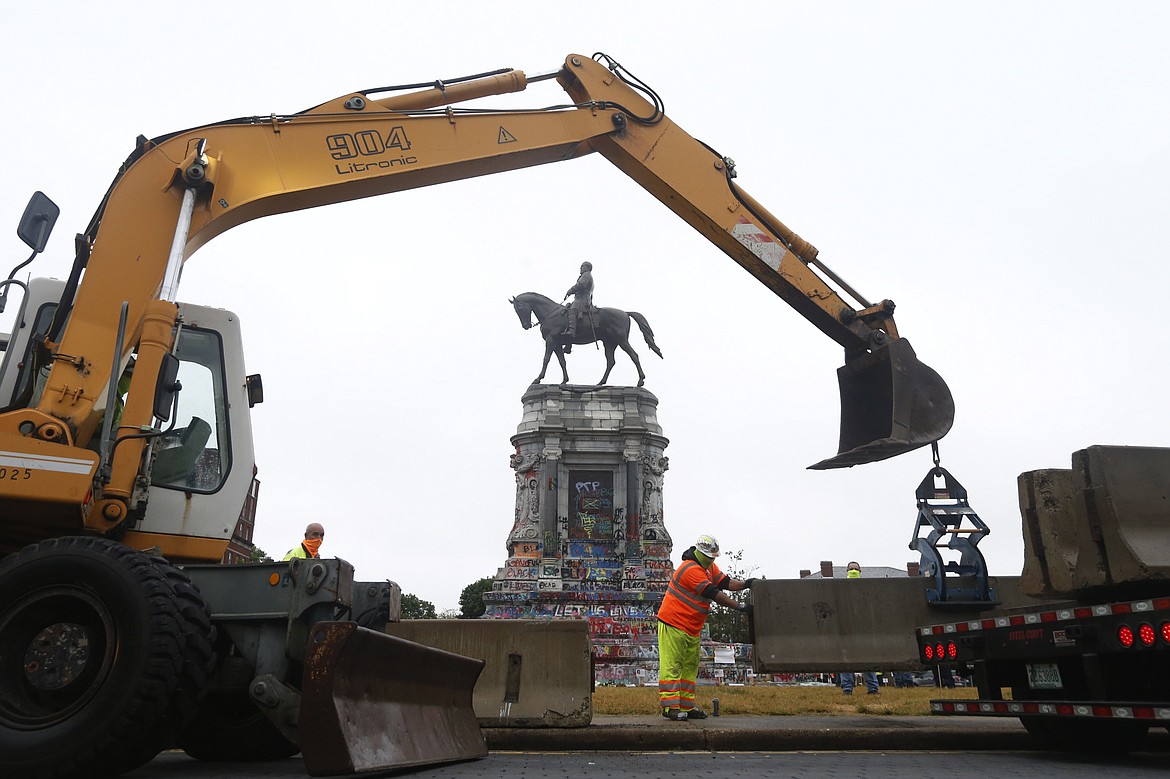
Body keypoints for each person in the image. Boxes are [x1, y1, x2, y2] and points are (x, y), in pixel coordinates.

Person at [656, 533, 754, 721]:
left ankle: (686, 706)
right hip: (674, 623)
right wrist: (740, 606)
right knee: (672, 665)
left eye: (714, 557)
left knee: (689, 666)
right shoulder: (690, 569)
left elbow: (725, 582)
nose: (712, 560)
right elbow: (714, 593)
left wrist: (746, 584)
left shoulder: (707, 567)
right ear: (701, 553)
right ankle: (670, 708)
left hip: (691, 627)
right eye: (710, 557)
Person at [839, 561, 880, 695]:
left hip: (862, 630)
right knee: (848, 660)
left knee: (866, 659)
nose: (854, 571)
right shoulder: (843, 587)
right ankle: (848, 688)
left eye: (855, 569)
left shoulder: (862, 587)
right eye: (852, 569)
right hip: (849, 629)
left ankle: (871, 688)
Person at [562, 261, 594, 344]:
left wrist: (570, 290)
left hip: (582, 299)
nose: (580, 268)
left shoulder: (586, 275)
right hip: (580, 298)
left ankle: (572, 331)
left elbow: (581, 285)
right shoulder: (586, 275)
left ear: (587, 268)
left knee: (572, 310)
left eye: (582, 266)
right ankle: (568, 344)